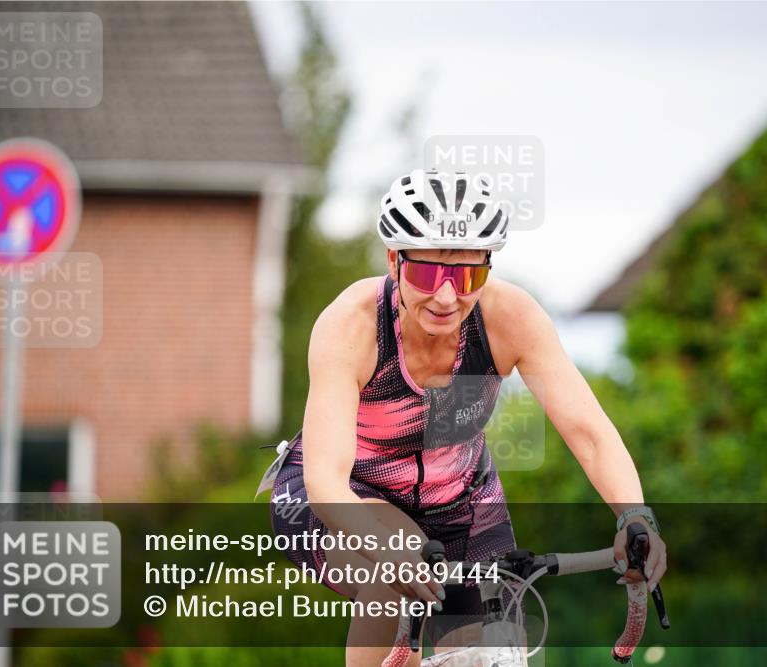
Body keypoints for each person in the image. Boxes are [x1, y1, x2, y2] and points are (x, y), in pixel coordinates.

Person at [268, 169, 667, 666]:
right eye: (426, 274)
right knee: (395, 569)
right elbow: (326, 480)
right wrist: (387, 550)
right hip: (342, 493)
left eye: (466, 277)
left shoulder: (510, 317)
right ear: (394, 260)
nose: (445, 297)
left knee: (493, 650)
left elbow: (589, 433)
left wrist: (634, 516)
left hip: (462, 501)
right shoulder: (351, 324)